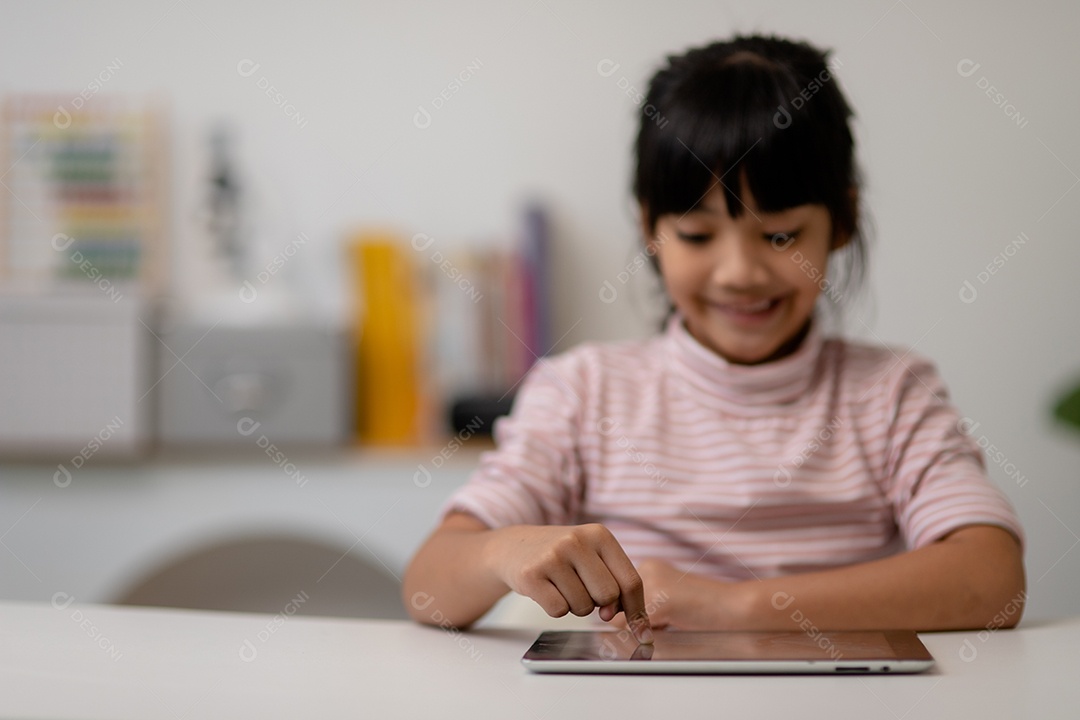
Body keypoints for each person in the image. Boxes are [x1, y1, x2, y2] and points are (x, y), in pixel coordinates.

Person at [402, 34, 1025, 644]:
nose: (740, 274)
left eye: (780, 235)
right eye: (698, 237)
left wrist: (735, 606)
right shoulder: (582, 392)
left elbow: (993, 579)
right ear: (650, 227)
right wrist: (500, 550)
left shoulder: (892, 394)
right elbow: (428, 586)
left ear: (842, 222)